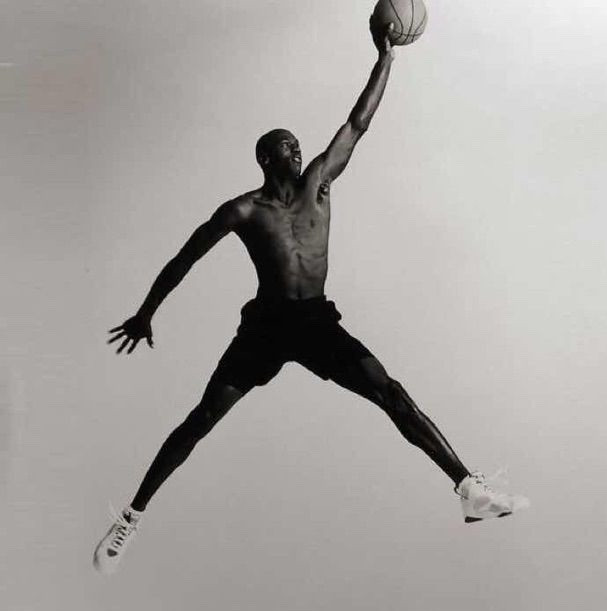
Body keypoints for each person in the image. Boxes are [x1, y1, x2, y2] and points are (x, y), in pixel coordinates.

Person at [93, 20, 528, 575]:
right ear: (265, 159)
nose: (297, 151)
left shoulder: (320, 182)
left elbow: (358, 122)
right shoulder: (243, 210)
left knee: (389, 391)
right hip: (267, 327)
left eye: (298, 145)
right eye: (286, 146)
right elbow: (185, 258)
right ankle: (130, 517)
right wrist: (145, 313)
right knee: (202, 417)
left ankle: (469, 490)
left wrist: (386, 58)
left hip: (316, 323)